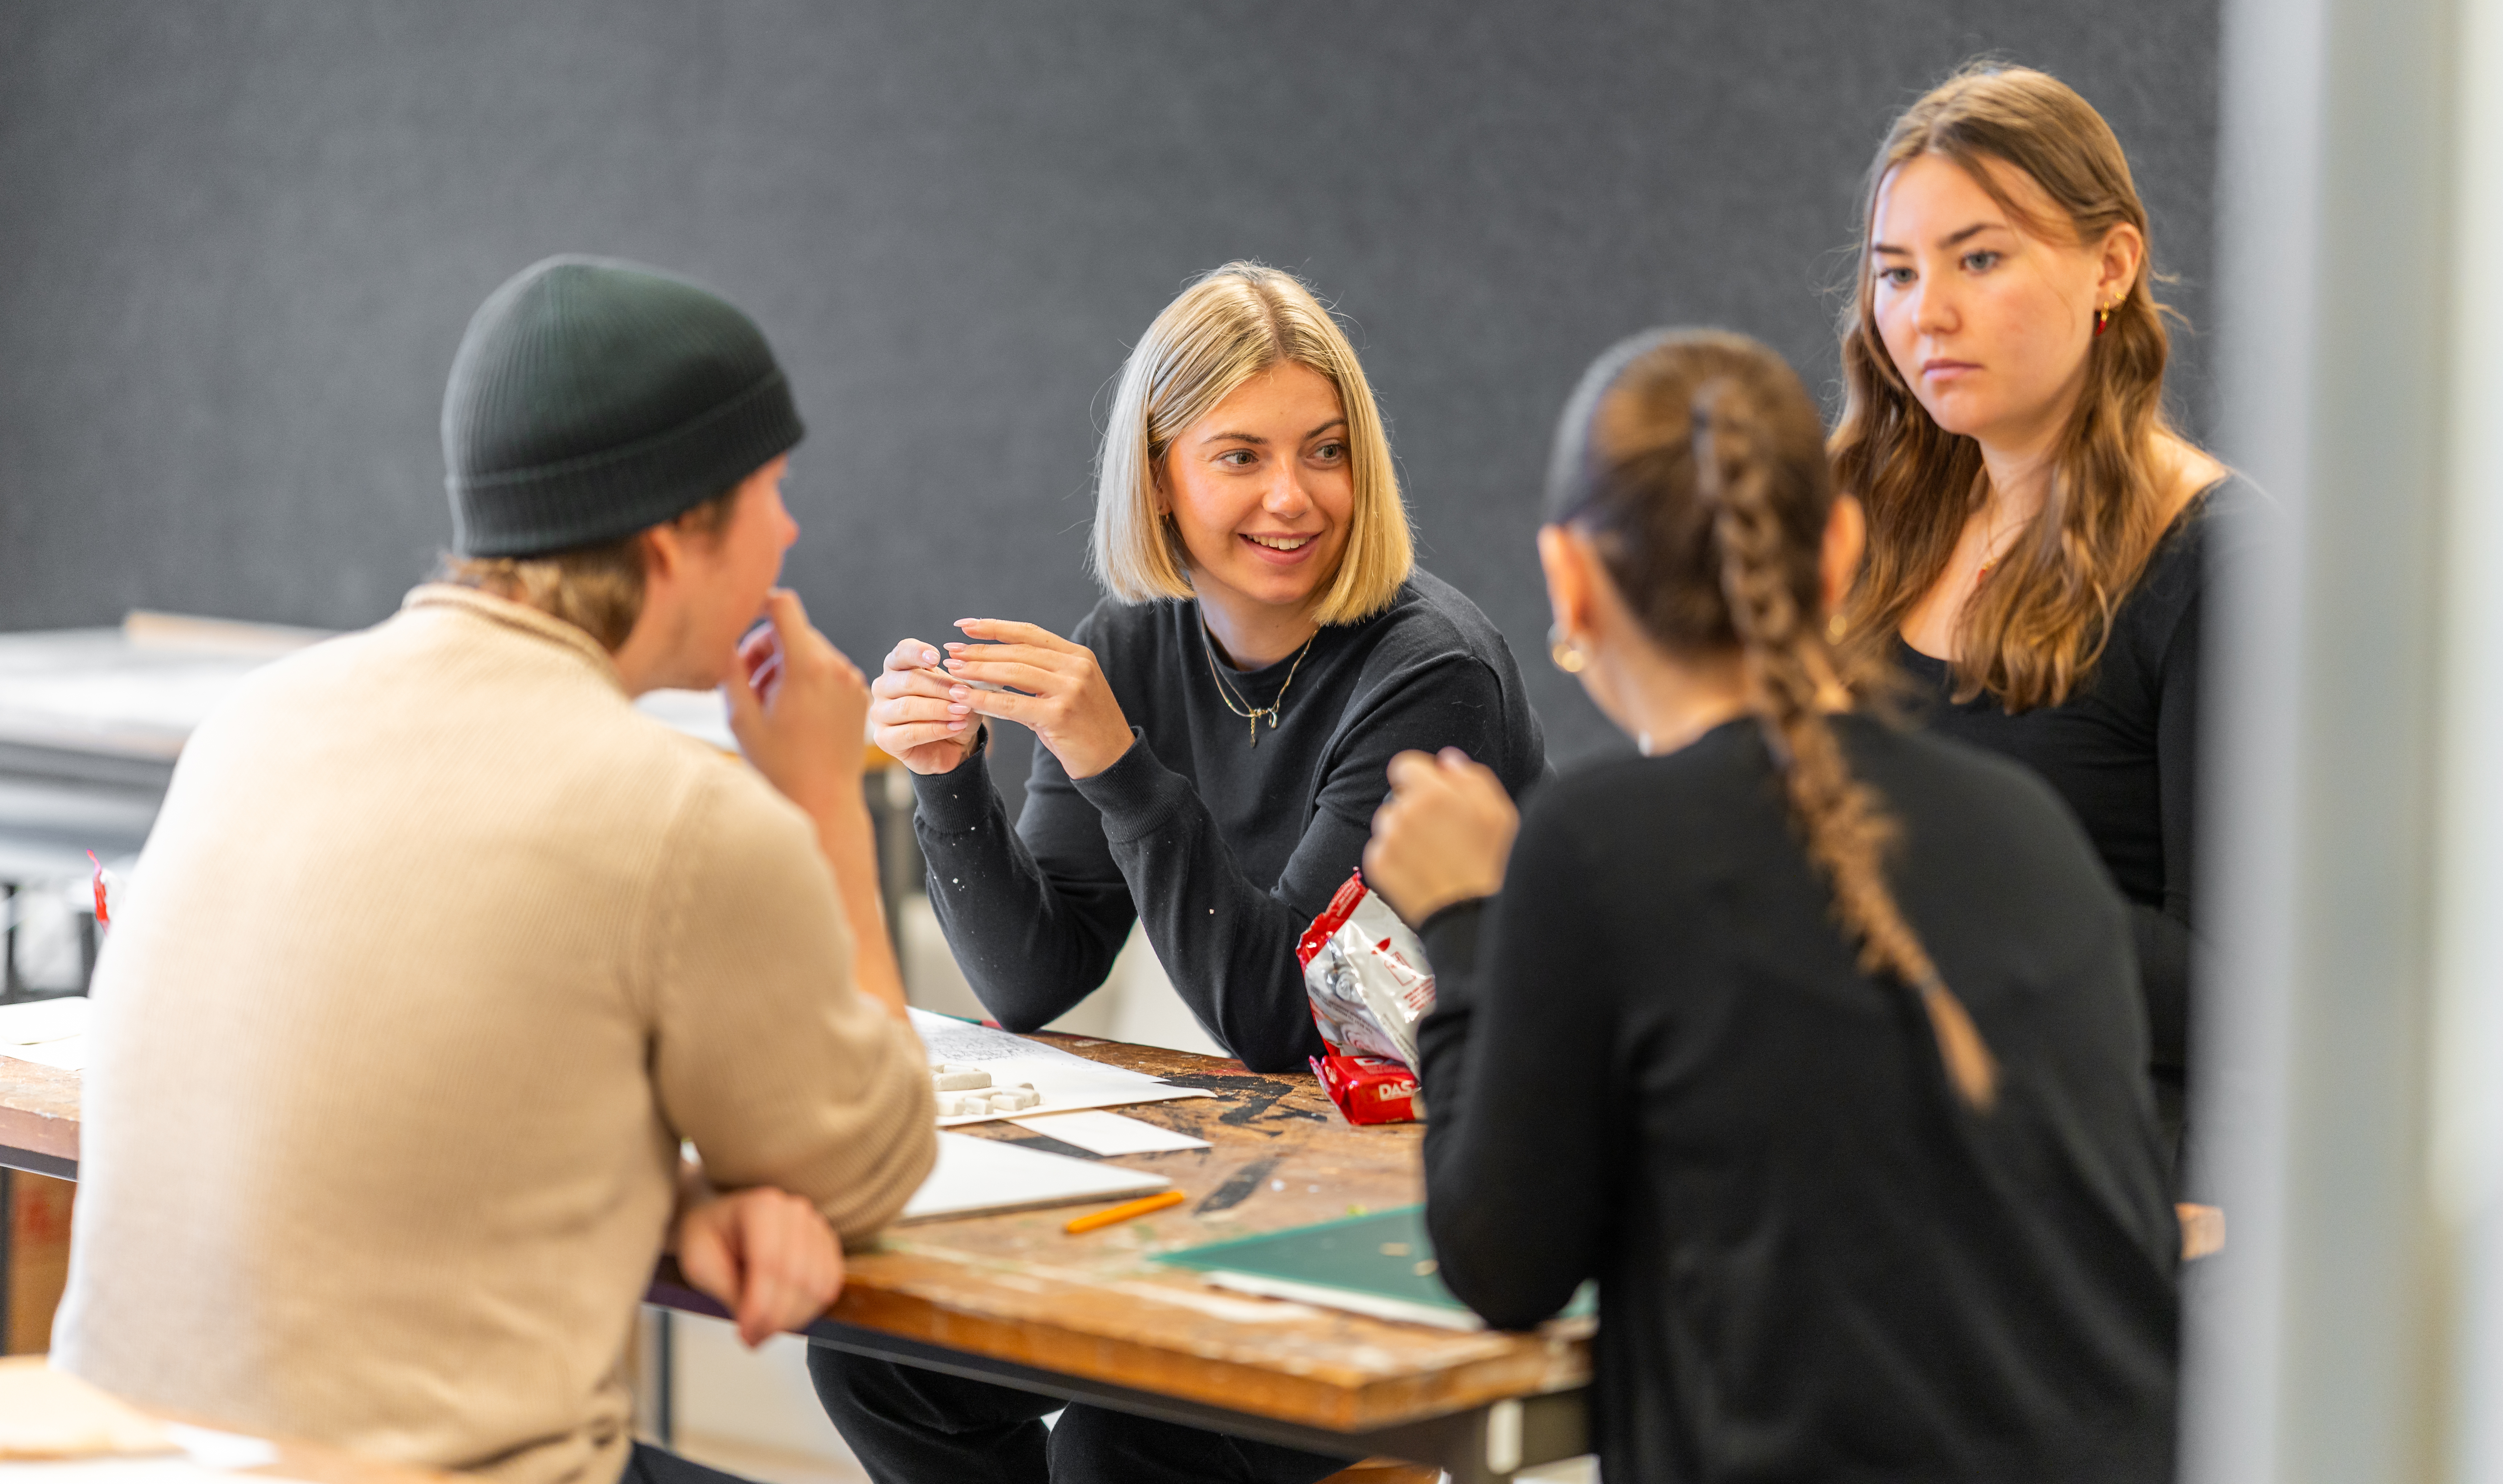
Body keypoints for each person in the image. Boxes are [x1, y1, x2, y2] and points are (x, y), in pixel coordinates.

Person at [55, 257, 938, 1484]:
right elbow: (870, 1170)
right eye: (770, 489)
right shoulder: (683, 819)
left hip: (132, 1460)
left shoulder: (256, 721)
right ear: (676, 531)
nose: (789, 529)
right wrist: (829, 799)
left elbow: (415, 1110)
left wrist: (671, 1196)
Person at [1364, 329, 2180, 1483]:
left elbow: (1502, 1264)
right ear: (1841, 549)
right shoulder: (2028, 827)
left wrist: (1465, 922)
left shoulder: (1594, 845)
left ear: (1570, 577)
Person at [810, 262, 1548, 1484]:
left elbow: (1281, 1019)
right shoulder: (1134, 641)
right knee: (873, 1353)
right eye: (1240, 456)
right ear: (1158, 474)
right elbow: (1035, 975)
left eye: (1325, 451)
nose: (1294, 497)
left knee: (1123, 1440)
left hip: (1450, 1185)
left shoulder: (1429, 670)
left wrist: (1116, 760)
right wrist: (948, 776)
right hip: (1279, 1170)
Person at [1829, 62, 2242, 1178]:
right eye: (1897, 274)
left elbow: (2245, 994)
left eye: (1979, 258)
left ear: (2112, 264)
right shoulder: (1865, 527)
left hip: (2088, 1186)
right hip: (1862, 1146)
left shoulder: (2215, 561)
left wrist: (1939, 862)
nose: (1929, 314)